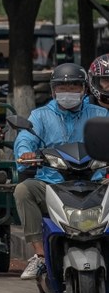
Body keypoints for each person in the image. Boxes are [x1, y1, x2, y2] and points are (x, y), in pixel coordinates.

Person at [13, 63, 109, 279]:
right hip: (51, 184)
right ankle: (39, 256)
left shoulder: (100, 114)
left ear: (85, 89)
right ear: (53, 90)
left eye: (74, 86)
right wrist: (26, 153)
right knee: (23, 190)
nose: (68, 92)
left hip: (95, 184)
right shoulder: (40, 116)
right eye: (62, 87)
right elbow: (25, 139)